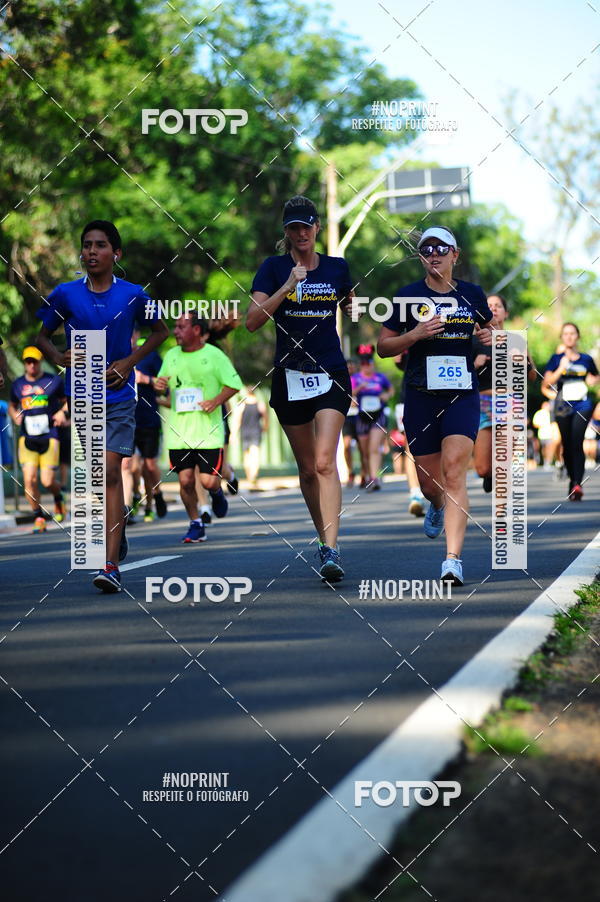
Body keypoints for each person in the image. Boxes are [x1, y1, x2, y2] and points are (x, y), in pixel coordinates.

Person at [36, 220, 168, 591]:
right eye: (87, 245)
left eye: (100, 245)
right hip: (82, 397)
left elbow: (161, 332)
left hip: (122, 396)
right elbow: (41, 336)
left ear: (116, 254)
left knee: (111, 472)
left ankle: (109, 565)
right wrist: (59, 357)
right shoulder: (65, 294)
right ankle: (117, 527)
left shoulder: (134, 294)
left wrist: (129, 362)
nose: (92, 251)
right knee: (99, 479)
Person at [377, 226, 494, 586]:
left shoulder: (472, 294)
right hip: (420, 395)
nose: (434, 254)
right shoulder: (408, 296)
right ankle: (437, 504)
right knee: (431, 484)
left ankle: (452, 560)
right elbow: (384, 346)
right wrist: (415, 334)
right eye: (427, 249)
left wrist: (490, 336)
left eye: (442, 248)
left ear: (455, 255)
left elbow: (491, 331)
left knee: (456, 470)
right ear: (420, 257)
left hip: (461, 394)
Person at [247, 195, 354, 582]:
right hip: (290, 375)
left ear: (317, 228)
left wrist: (357, 309)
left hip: (330, 373)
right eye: (294, 227)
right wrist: (288, 286)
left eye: (306, 226)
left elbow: (351, 305)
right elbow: (252, 321)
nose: (301, 233)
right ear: (286, 233)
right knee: (308, 469)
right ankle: (323, 538)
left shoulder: (338, 268)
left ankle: (331, 548)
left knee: (325, 462)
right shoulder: (273, 269)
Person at [154, 314, 242, 543]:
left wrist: (215, 401)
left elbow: (234, 384)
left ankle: (217, 492)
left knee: (208, 482)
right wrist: (158, 384)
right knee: (184, 481)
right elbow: (163, 386)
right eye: (175, 327)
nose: (175, 331)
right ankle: (195, 523)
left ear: (195, 330)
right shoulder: (171, 355)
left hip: (208, 433)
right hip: (179, 433)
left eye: (181, 327)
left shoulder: (213, 355)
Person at [9, 346, 68, 531]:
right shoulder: (17, 384)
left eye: (34, 361)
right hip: (27, 438)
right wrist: (14, 415)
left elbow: (69, 400)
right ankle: (39, 517)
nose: (31, 365)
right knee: (29, 481)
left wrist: (62, 412)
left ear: (40, 361)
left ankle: (59, 498)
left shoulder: (53, 381)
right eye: (28, 361)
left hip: (50, 437)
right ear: (25, 363)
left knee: (47, 481)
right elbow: (12, 405)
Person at [542, 323, 599, 501]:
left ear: (577, 336)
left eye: (572, 333)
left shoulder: (586, 359)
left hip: (583, 405)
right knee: (567, 445)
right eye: (565, 334)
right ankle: (572, 480)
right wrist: (561, 368)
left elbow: (596, 376)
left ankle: (577, 483)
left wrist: (592, 380)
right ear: (562, 337)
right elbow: (546, 382)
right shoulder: (556, 358)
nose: (569, 336)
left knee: (577, 442)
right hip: (562, 406)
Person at [122, 332, 168, 522]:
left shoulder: (150, 356)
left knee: (149, 466)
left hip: (148, 420)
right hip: (125, 420)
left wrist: (145, 379)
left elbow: (164, 386)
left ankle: (154, 497)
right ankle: (126, 507)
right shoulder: (117, 355)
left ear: (136, 334)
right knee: (128, 465)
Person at [350, 344, 393, 492]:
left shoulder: (380, 377)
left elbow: (390, 390)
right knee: (365, 451)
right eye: (363, 363)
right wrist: (359, 388)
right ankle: (368, 475)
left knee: (374, 447)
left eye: (369, 363)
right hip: (362, 417)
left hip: (378, 415)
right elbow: (349, 395)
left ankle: (374, 478)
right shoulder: (355, 378)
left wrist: (386, 395)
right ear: (360, 365)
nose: (367, 366)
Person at [232, 385, 268, 489]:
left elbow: (237, 421)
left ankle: (249, 476)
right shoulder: (260, 404)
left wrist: (234, 434)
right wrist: (265, 428)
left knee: (246, 455)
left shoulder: (242, 405)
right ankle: (253, 476)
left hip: (245, 432)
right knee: (255, 454)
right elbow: (266, 418)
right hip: (256, 431)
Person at [532, 401, 561, 470]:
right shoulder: (539, 413)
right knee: (544, 449)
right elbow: (534, 424)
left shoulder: (551, 413)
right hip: (542, 435)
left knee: (549, 448)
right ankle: (545, 461)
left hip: (550, 434)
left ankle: (548, 462)